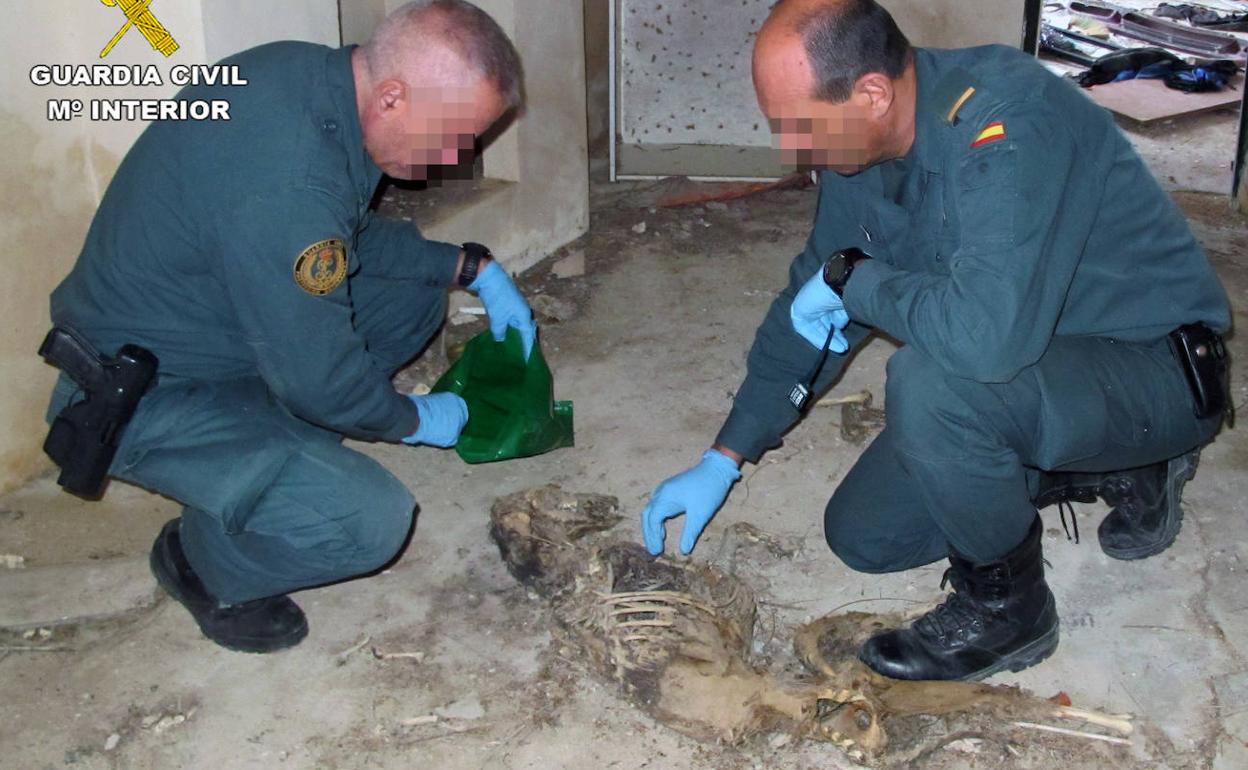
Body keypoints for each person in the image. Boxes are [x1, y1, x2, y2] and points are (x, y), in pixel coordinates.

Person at [641, 0, 1231, 682]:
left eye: (799, 125)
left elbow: (981, 340)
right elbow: (814, 295)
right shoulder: (858, 155)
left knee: (932, 383)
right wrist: (725, 453)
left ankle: (1011, 611)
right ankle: (1106, 465)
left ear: (871, 93)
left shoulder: (1009, 121)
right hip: (1043, 368)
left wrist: (856, 282)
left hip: (1153, 368)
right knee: (866, 535)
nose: (791, 149)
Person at [44, 0, 535, 654]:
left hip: (221, 329)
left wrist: (468, 268)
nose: (454, 157)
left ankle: (276, 449)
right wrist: (414, 420)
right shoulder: (289, 180)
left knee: (412, 295)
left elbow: (346, 238)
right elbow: (322, 371)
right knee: (371, 521)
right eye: (451, 137)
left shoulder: (312, 81)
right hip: (142, 394)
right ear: (392, 97)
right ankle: (203, 559)